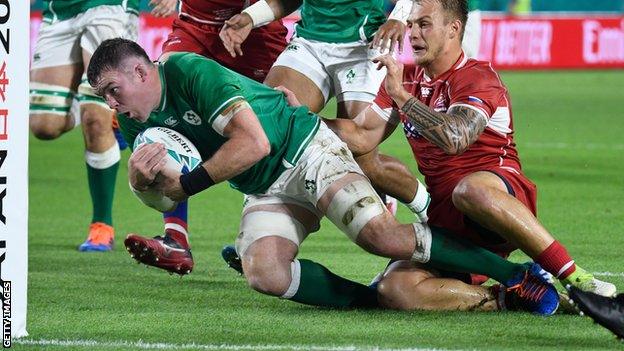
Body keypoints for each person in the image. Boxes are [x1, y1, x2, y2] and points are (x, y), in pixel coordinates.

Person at [87, 38, 560, 313]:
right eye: (103, 94)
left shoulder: (190, 72)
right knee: (265, 275)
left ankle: (517, 275)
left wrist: (185, 184)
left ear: (140, 70)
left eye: (112, 88)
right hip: (263, 184)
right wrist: (142, 184)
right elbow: (167, 200)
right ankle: (369, 302)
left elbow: (255, 143)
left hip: (306, 148)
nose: (110, 101)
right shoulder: (133, 120)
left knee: (381, 237)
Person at [305, 0, 615, 297]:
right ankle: (509, 295)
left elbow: (455, 139)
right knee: (395, 289)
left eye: (424, 25)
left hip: (497, 203)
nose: (412, 34)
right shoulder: (407, 80)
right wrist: (301, 119)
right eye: (410, 24)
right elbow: (360, 136)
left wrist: (402, 97)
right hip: (450, 220)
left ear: (453, 29)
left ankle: (576, 277)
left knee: (469, 191)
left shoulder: (478, 77)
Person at [219, 0, 431, 221]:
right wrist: (250, 17)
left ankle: (429, 209)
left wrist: (399, 16)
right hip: (310, 43)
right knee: (270, 130)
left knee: (362, 159)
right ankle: (260, 234)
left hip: (365, 46)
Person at [124, 0, 289, 274]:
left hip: (254, 32)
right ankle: (175, 239)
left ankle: (259, 239)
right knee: (165, 111)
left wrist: (250, 17)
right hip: (195, 28)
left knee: (263, 135)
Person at [29, 0, 176, 252]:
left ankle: (101, 225)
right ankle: (105, 117)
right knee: (44, 126)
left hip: (110, 8)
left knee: (95, 121)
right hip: (59, 11)